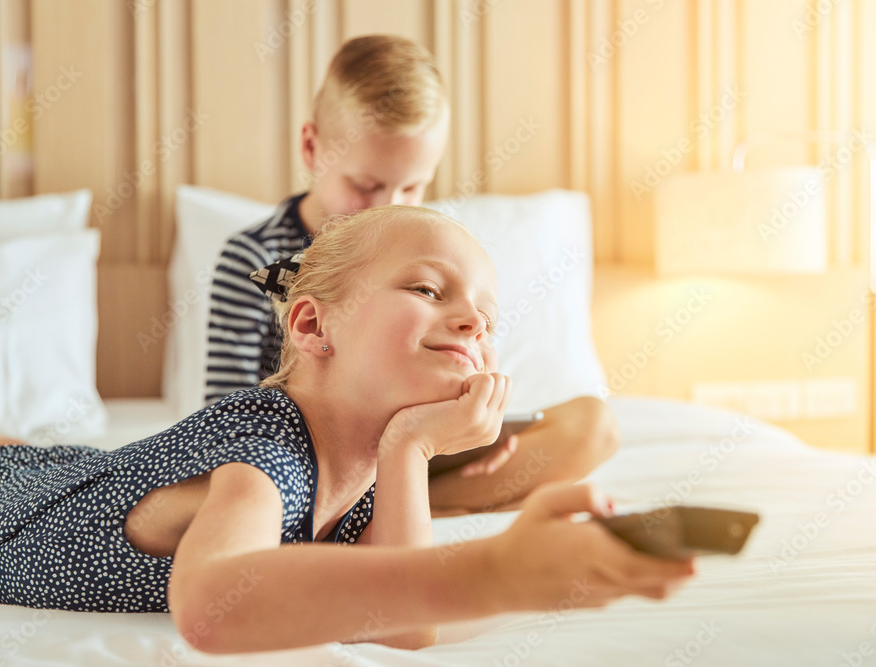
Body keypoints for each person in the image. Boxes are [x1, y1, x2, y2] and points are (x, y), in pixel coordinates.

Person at [0, 206, 695, 653]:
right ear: (314, 324)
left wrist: (412, 447)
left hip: (80, 479)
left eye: (488, 320)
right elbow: (214, 606)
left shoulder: (365, 460)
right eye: (429, 288)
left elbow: (402, 618)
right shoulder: (268, 453)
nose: (471, 321)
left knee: (51, 464)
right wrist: (497, 573)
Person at [206, 34, 618, 515]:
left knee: (594, 424)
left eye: (412, 186)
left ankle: (403, 505)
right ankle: (372, 509)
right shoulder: (256, 257)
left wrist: (475, 414)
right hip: (313, 460)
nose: (389, 206)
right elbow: (224, 419)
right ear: (313, 148)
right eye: (365, 185)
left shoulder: (438, 248)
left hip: (428, 446)